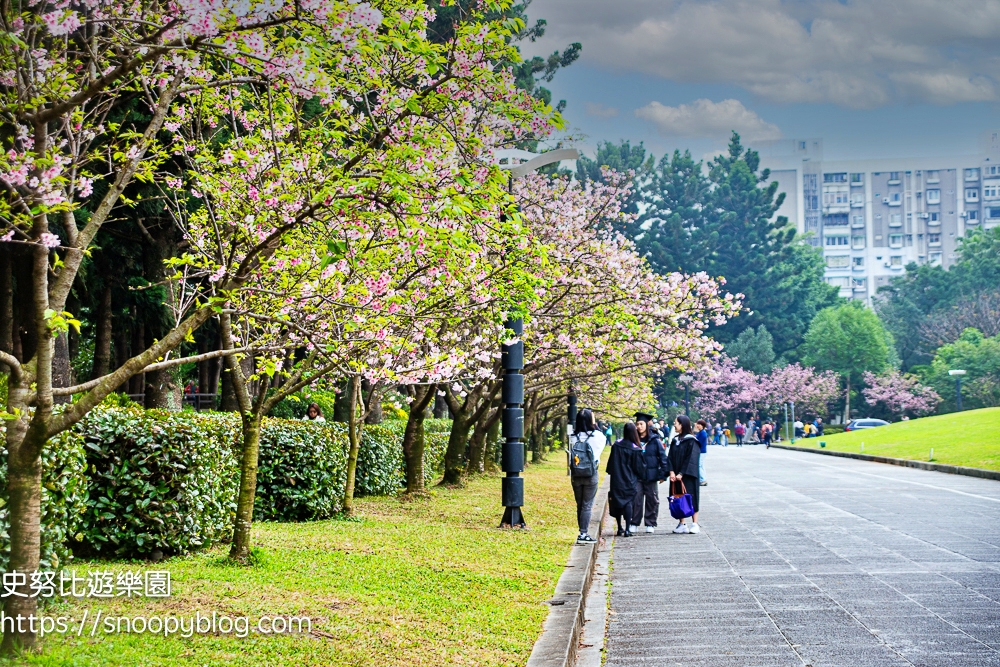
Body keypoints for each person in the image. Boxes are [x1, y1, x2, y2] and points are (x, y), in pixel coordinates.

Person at [569, 409, 607, 544]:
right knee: (587, 505)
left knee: (580, 504)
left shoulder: (572, 437)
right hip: (591, 474)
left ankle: (581, 531)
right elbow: (599, 451)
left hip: (576, 474)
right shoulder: (598, 436)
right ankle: (583, 533)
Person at [606, 422, 644, 537]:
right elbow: (639, 468)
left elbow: (611, 464)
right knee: (628, 503)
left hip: (616, 479)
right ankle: (627, 529)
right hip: (629, 480)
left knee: (617, 502)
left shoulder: (617, 445)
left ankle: (619, 528)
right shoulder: (635, 449)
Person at [633, 412, 668, 534]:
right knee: (636, 499)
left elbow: (663, 457)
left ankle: (650, 523)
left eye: (641, 424)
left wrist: (664, 474)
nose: (639, 426)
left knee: (652, 499)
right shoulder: (633, 440)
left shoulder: (654, 440)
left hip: (651, 475)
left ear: (647, 425)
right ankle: (634, 522)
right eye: (637, 424)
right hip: (636, 475)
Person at [668, 415, 701, 534]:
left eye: (676, 423)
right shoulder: (675, 440)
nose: (674, 425)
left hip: (688, 476)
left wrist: (682, 473)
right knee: (678, 497)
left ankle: (695, 524)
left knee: (692, 497)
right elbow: (670, 457)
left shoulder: (692, 441)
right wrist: (671, 471)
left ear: (682, 424)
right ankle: (682, 523)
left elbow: (691, 459)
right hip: (675, 475)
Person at [695, 419, 709, 486]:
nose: (697, 425)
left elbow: (698, 442)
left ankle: (702, 479)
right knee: (701, 465)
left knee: (699, 465)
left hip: (702, 451)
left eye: (699, 424)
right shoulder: (701, 432)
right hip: (701, 451)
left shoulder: (702, 433)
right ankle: (702, 479)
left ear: (702, 425)